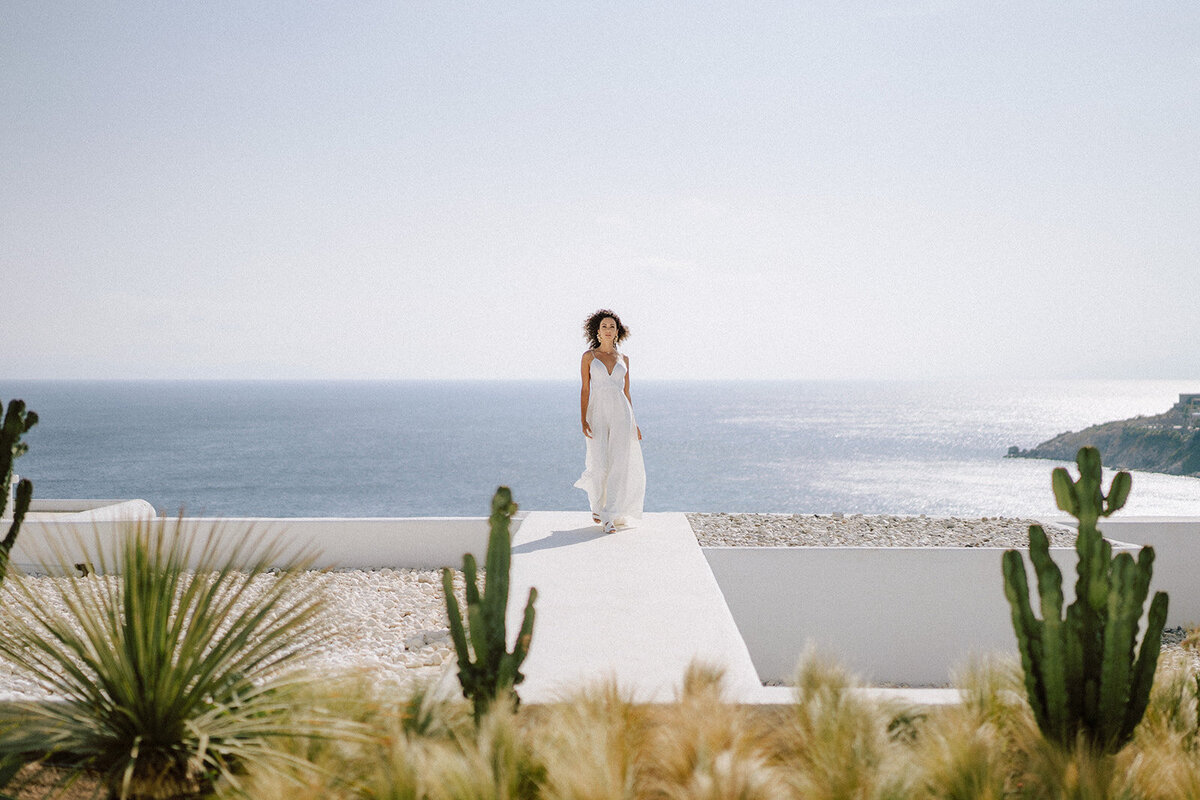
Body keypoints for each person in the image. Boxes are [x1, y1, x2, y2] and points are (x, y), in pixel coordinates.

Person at [574, 309, 646, 533]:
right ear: (597, 331)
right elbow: (585, 390)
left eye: (612, 327)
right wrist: (583, 418)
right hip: (597, 412)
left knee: (619, 464)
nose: (608, 330)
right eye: (604, 326)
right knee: (600, 464)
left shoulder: (624, 359)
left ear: (617, 332)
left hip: (622, 414)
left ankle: (610, 514)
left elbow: (627, 392)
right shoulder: (589, 357)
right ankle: (597, 506)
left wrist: (634, 423)